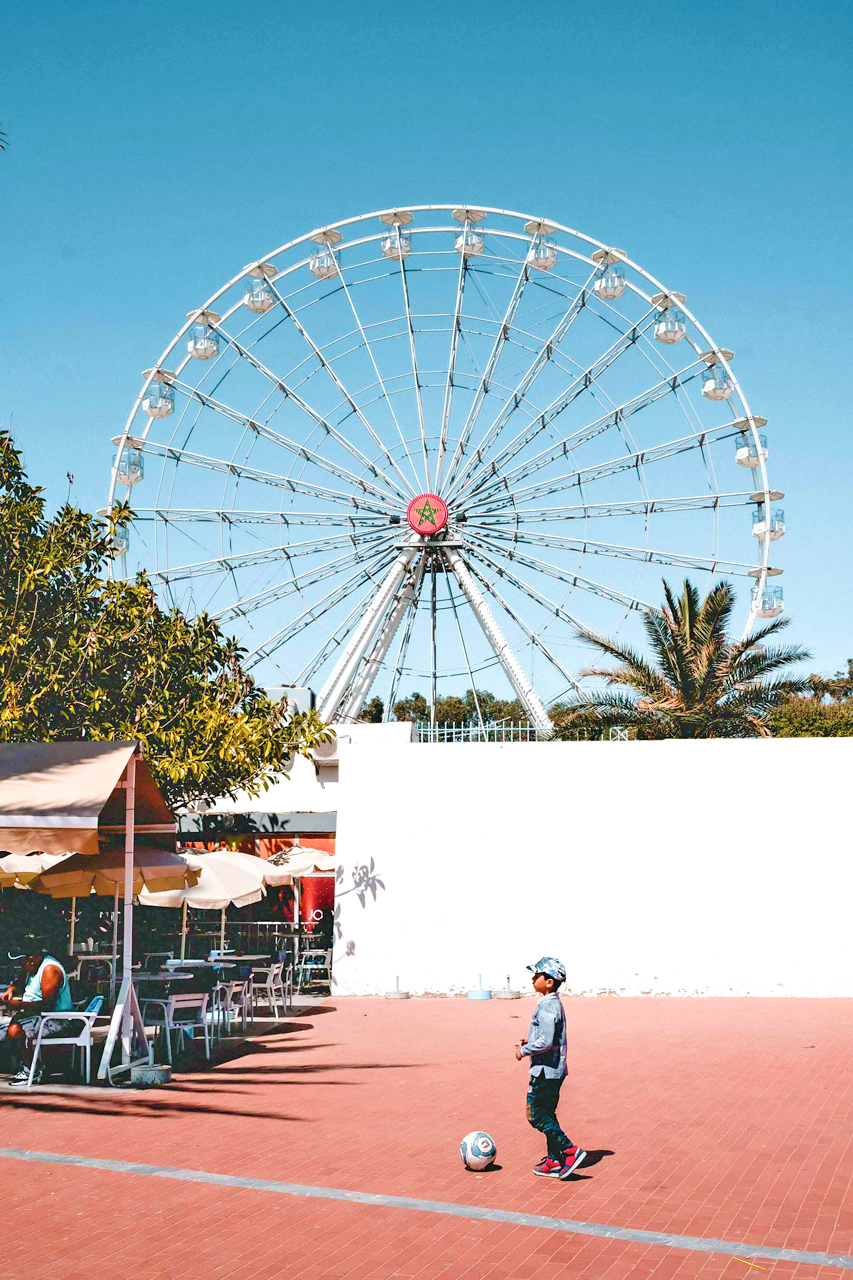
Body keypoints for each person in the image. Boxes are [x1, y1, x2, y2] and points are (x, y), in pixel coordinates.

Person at [515, 955, 587, 1179]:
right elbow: (547, 1037)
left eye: (537, 975)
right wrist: (531, 1040)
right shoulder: (551, 1003)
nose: (533, 978)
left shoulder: (548, 1006)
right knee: (548, 1113)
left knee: (536, 1115)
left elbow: (545, 1042)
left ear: (549, 982)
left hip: (545, 1071)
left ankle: (569, 1151)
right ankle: (554, 1160)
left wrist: (523, 1051)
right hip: (553, 1069)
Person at [0, 950, 74, 1085]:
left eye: (21, 963)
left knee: (15, 1030)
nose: (20, 967)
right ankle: (32, 1064)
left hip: (56, 1019)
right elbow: (21, 981)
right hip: (37, 1016)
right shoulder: (34, 966)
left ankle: (30, 1070)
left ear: (31, 960)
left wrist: (19, 1005)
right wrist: (11, 989)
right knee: (3, 1029)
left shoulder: (50, 970)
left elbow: (47, 1005)